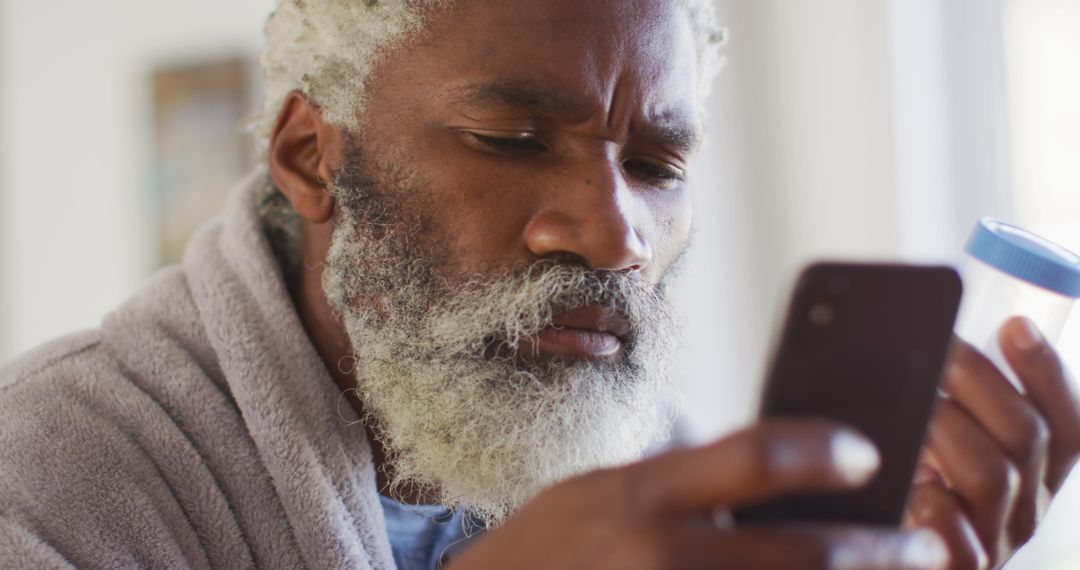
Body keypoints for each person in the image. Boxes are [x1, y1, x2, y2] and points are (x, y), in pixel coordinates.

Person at [1, 1, 1077, 568]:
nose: (616, 238)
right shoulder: (49, 479)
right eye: (510, 136)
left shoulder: (657, 473)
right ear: (310, 155)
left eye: (658, 166)